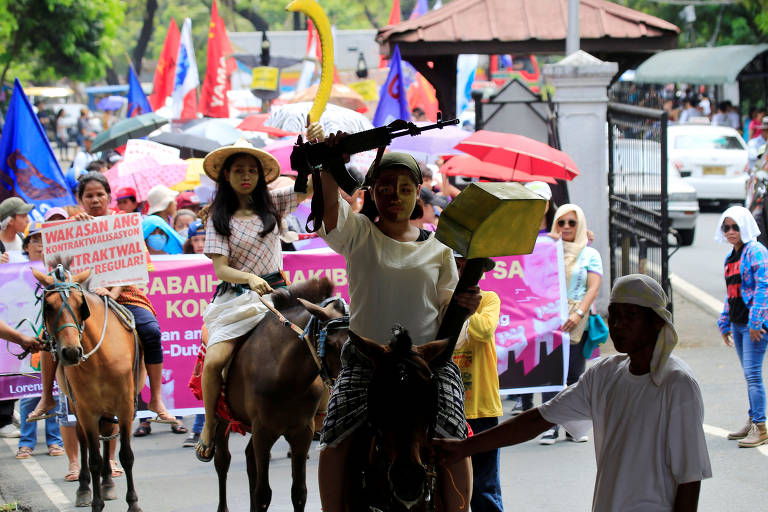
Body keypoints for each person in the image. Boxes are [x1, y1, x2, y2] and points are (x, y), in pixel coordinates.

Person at [434, 274, 712, 512]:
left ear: (656, 323)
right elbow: (538, 419)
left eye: (631, 316)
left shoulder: (677, 385)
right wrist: (464, 448)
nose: (618, 325)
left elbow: (689, 478)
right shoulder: (605, 374)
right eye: (614, 316)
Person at [316, 146, 480, 511]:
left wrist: (465, 307)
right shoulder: (357, 232)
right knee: (334, 435)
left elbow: (446, 307)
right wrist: (331, 161)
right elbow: (329, 211)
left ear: (418, 192)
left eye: (405, 188)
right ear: (371, 192)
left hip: (428, 366)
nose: (395, 196)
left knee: (454, 432)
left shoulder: (440, 247)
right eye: (385, 187)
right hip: (366, 363)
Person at [195, 139, 311, 462]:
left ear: (260, 175)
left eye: (251, 170)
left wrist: (314, 152)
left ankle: (321, 414)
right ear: (226, 176)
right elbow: (220, 269)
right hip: (236, 301)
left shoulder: (275, 203)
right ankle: (208, 424)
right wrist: (249, 278)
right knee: (215, 360)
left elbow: (312, 187)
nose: (245, 176)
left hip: (279, 296)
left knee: (320, 340)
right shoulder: (218, 219)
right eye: (238, 170)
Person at [539, 204, 602, 445]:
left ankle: (573, 426)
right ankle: (550, 426)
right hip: (549, 318)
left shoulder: (589, 254)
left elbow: (593, 287)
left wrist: (578, 313)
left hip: (578, 320)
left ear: (581, 226)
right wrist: (546, 244)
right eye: (561, 222)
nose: (566, 227)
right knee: (550, 372)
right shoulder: (545, 249)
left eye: (572, 223)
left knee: (575, 375)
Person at [451, 253, 504, 512]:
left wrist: (470, 309)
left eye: (468, 268)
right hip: (448, 410)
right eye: (457, 266)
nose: (461, 273)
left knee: (484, 487)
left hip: (482, 408)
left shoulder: (489, 299)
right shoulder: (441, 302)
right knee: (450, 487)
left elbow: (483, 331)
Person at [715, 206, 768, 447]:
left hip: (753, 325)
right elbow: (732, 293)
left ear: (745, 226)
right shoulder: (731, 257)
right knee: (750, 375)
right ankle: (752, 420)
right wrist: (724, 322)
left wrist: (756, 321)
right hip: (738, 323)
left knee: (753, 374)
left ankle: (760, 426)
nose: (730, 231)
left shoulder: (756, 251)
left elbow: (763, 288)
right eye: (726, 227)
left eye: (735, 226)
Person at [16, 222, 64, 460]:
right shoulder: (15, 270)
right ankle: (26, 443)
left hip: (50, 337)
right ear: (27, 245)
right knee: (28, 394)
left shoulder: (57, 273)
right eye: (36, 240)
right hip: (25, 337)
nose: (41, 245)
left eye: (45, 240)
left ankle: (55, 441)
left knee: (52, 392)